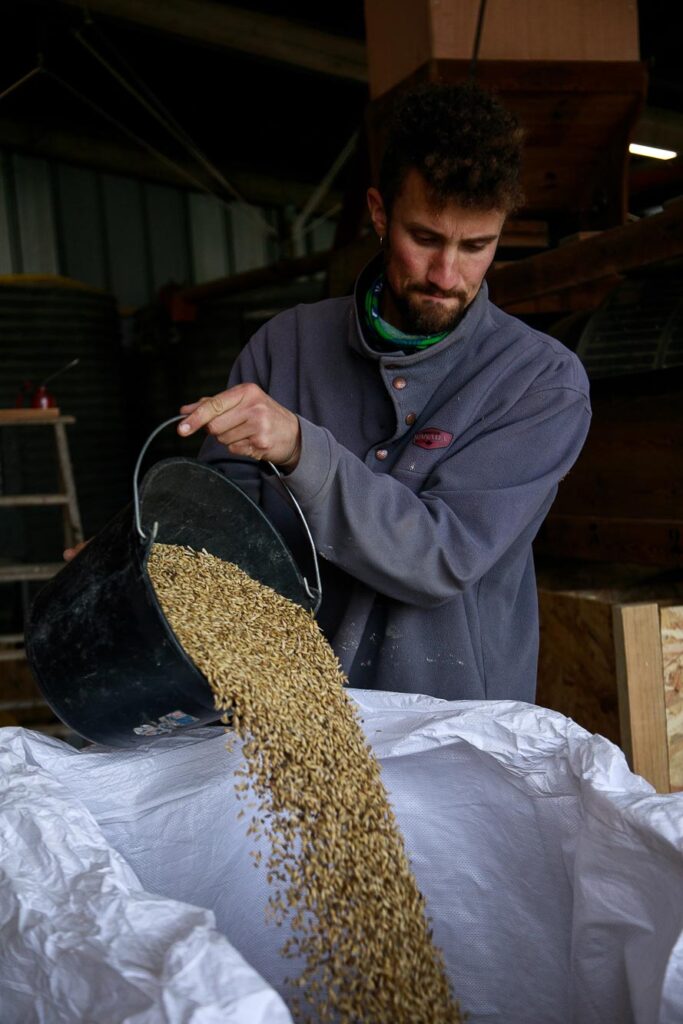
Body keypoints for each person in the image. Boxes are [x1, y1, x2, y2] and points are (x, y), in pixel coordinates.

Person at [176, 82, 592, 701]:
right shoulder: (282, 349)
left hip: (454, 736)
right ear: (378, 213)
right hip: (293, 721)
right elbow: (221, 533)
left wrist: (299, 451)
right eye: (424, 238)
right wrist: (146, 556)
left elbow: (440, 558)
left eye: (477, 246)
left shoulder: (539, 384)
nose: (447, 275)